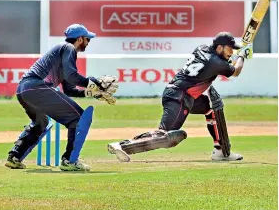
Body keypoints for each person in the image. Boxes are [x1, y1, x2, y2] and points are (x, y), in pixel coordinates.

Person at [108, 32, 253, 162]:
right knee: (165, 137)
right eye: (230, 49)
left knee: (213, 105)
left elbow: (222, 63)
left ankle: (222, 151)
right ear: (220, 47)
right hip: (179, 97)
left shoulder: (202, 48)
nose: (232, 52)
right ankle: (122, 146)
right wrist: (242, 56)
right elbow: (235, 71)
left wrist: (232, 57)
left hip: (186, 95)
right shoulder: (215, 62)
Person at [5, 24, 118, 171]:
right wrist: (94, 83)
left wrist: (92, 92)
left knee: (41, 122)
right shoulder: (68, 48)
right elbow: (73, 76)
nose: (88, 42)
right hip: (37, 87)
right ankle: (70, 161)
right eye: (87, 39)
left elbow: (69, 90)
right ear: (79, 39)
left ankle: (15, 157)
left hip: (24, 90)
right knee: (78, 118)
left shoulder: (62, 53)